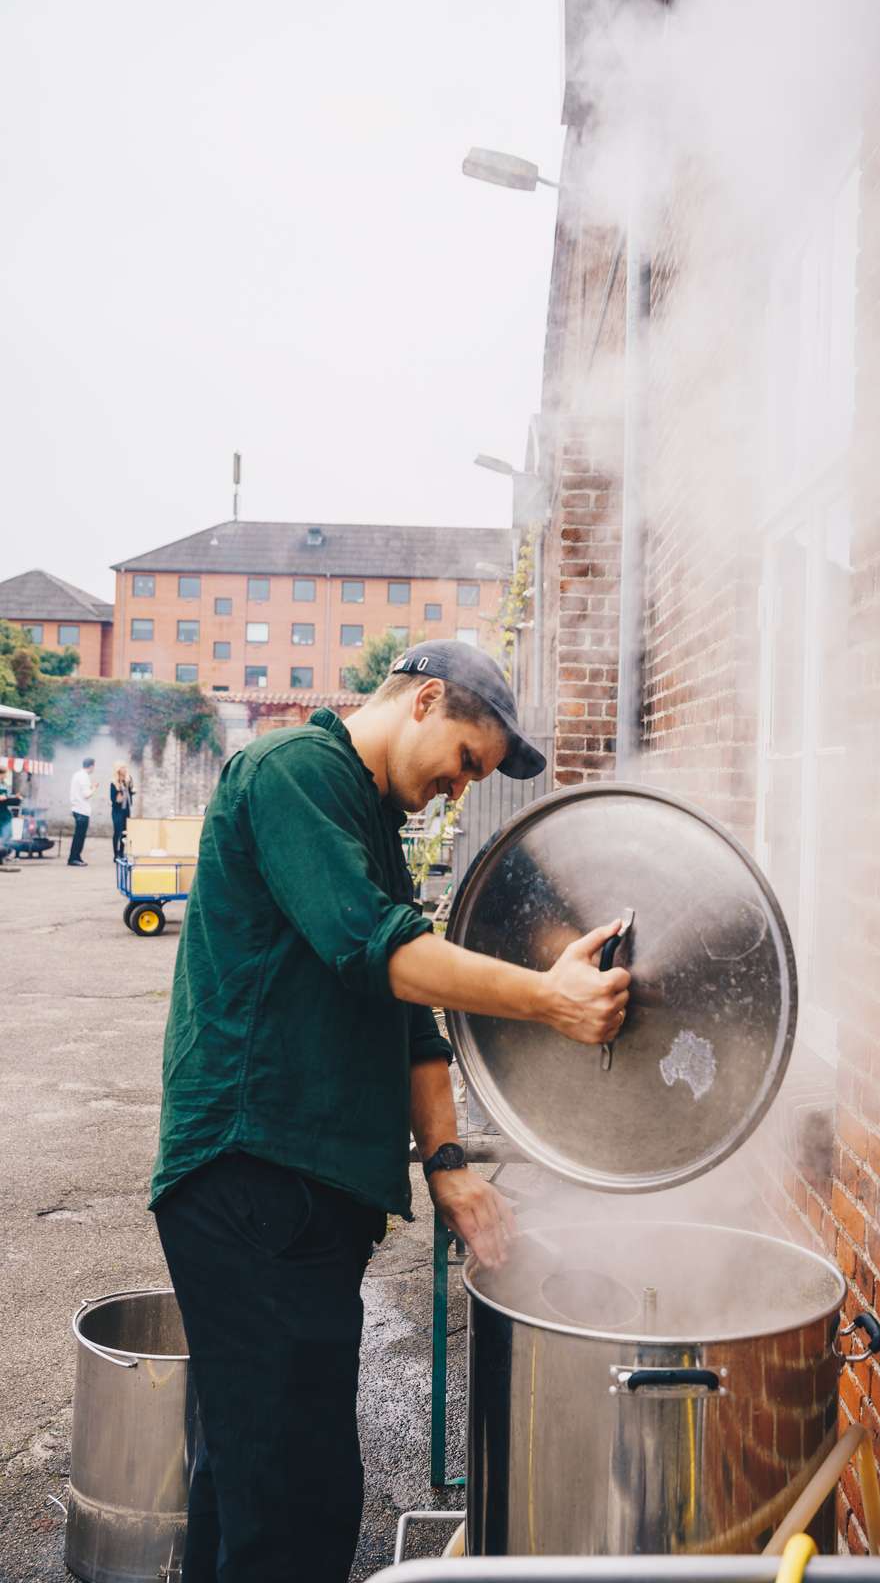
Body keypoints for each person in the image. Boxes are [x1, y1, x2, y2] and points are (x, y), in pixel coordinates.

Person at [150, 640, 630, 1583]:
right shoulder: (293, 772)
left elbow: (410, 1022)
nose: (460, 791)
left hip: (302, 1197)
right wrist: (551, 999)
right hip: (250, 1173)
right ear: (425, 701)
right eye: (465, 764)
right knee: (294, 1504)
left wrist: (447, 1165)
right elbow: (378, 953)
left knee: (252, 1485)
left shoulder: (367, 823)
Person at [68, 757, 96, 867]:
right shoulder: (84, 777)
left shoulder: (77, 774)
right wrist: (94, 788)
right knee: (79, 836)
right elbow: (86, 794)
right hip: (82, 810)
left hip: (77, 809)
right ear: (91, 766)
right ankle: (74, 858)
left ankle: (76, 857)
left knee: (78, 836)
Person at [110, 764, 135, 861]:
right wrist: (119, 794)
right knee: (117, 832)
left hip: (126, 810)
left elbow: (130, 792)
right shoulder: (114, 783)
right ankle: (116, 855)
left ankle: (121, 852)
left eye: (125, 768)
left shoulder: (127, 780)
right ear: (118, 770)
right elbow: (112, 798)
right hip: (117, 811)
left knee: (125, 832)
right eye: (123, 768)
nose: (125, 769)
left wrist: (131, 790)